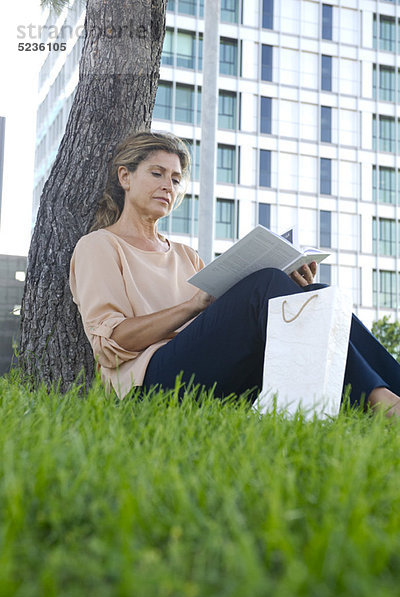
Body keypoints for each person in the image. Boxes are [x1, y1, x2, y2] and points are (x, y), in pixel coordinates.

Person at [69, 131, 400, 416]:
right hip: (146, 384)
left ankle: (393, 391)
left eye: (174, 178)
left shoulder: (185, 255)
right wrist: (191, 307)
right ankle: (380, 402)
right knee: (265, 283)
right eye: (156, 174)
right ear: (125, 177)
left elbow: (223, 326)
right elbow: (111, 342)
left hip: (211, 370)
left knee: (317, 295)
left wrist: (296, 293)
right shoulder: (99, 246)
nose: (168, 186)